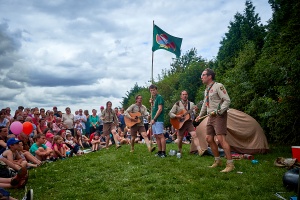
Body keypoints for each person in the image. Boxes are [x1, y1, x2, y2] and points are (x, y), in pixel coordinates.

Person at [195, 68, 234, 173]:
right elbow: (205, 104)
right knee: (208, 138)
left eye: (203, 75)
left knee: (221, 139)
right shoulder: (207, 89)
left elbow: (227, 100)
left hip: (219, 116)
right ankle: (218, 160)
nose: (201, 77)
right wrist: (200, 115)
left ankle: (230, 164)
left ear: (209, 76)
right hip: (210, 116)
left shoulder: (218, 86)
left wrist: (219, 111)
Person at [169, 90, 206, 156]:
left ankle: (200, 150)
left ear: (187, 95)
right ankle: (179, 150)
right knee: (180, 139)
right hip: (180, 123)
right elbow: (170, 113)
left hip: (188, 122)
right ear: (181, 96)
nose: (185, 96)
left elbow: (193, 114)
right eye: (183, 94)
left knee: (194, 135)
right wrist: (177, 116)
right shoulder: (177, 104)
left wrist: (196, 111)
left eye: (186, 94)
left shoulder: (191, 104)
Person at [149, 84, 166, 158]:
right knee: (156, 136)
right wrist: (152, 103)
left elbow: (160, 109)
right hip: (154, 120)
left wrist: (154, 119)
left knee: (160, 135)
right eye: (151, 90)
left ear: (156, 90)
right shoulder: (155, 99)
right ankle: (159, 151)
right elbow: (154, 108)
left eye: (153, 90)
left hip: (158, 120)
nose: (152, 92)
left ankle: (163, 152)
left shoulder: (159, 97)